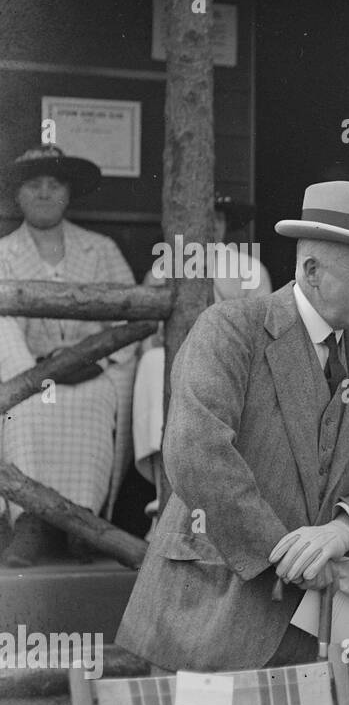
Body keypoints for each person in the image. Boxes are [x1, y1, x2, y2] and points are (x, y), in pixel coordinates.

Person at [116, 181, 349, 671]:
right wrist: (284, 555)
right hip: (209, 609)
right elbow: (197, 454)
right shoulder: (231, 328)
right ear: (312, 270)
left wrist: (342, 531)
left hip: (308, 629)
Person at [0, 145, 138, 566]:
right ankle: (30, 523)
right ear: (18, 195)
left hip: (89, 373)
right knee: (25, 412)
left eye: (54, 184)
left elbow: (132, 320)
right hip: (25, 375)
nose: (44, 193)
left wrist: (94, 362)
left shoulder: (101, 249)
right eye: (33, 184)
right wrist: (32, 372)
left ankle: (84, 524)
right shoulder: (3, 252)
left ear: (68, 193)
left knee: (96, 404)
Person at [132, 195, 272, 519]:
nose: (209, 226)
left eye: (218, 219)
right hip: (172, 359)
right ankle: (163, 498)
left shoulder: (249, 268)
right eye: (202, 217)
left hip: (230, 362)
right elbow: (145, 333)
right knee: (153, 364)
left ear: (226, 226)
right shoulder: (165, 265)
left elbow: (263, 334)